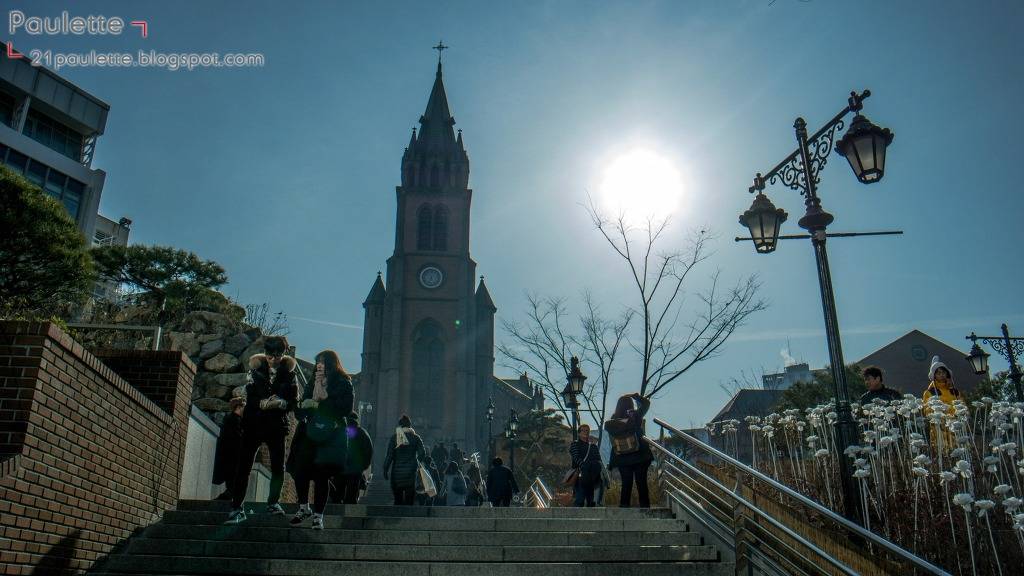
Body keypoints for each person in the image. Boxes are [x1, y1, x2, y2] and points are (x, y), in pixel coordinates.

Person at [225, 336, 300, 525]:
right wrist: (261, 403)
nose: (273, 358)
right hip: (254, 424)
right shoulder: (255, 370)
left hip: (277, 426)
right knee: (244, 465)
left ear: (283, 354)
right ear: (265, 352)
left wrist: (281, 403)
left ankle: (273, 502)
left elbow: (293, 402)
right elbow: (248, 398)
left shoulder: (290, 374)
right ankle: (236, 507)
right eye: (269, 354)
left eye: (277, 354)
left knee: (277, 467)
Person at [289, 350, 353, 529]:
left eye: (323, 362)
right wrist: (302, 407)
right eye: (318, 362)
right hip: (309, 432)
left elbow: (346, 409)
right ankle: (303, 507)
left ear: (332, 364)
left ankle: (318, 515)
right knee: (300, 469)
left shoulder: (343, 382)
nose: (319, 365)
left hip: (330, 435)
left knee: (321, 475)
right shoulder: (311, 382)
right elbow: (302, 406)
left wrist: (321, 403)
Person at [604, 392, 653, 508]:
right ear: (631, 405)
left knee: (626, 483)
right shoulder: (635, 415)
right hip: (640, 454)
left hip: (621, 456)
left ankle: (624, 508)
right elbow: (646, 403)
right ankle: (645, 509)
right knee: (641, 483)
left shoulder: (613, 422)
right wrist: (635, 395)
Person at [382, 415, 426, 505]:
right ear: (410, 425)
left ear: (400, 425)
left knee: (398, 500)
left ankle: (397, 517)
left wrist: (385, 469)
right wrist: (416, 463)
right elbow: (422, 453)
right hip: (410, 473)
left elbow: (389, 456)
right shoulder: (416, 438)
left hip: (396, 473)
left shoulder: (394, 438)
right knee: (409, 501)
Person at [212, 397, 245, 500]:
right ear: (239, 407)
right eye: (244, 407)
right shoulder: (233, 420)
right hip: (231, 457)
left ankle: (226, 497)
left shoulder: (232, 419)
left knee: (232, 484)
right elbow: (235, 439)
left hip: (230, 456)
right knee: (232, 482)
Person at [336, 411, 373, 504]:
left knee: (337, 495)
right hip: (356, 469)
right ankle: (350, 514)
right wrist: (363, 466)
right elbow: (369, 451)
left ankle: (335, 511)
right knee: (352, 495)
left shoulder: (340, 430)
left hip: (340, 467)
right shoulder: (362, 433)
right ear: (357, 420)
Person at [569, 424, 603, 507]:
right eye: (583, 430)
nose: (585, 432)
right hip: (580, 475)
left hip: (593, 476)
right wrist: (584, 466)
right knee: (580, 499)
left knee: (592, 501)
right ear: (579, 433)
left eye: (587, 430)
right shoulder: (575, 444)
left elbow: (598, 459)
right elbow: (576, 458)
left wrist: (594, 467)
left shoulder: (593, 446)